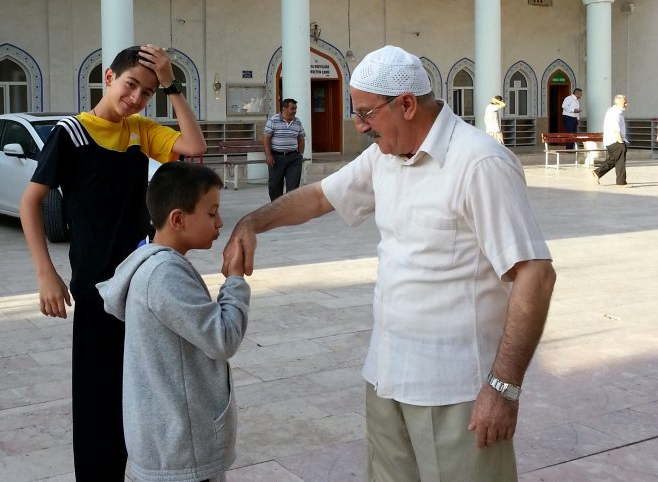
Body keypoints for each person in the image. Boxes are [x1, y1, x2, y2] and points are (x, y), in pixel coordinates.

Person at [222, 45, 556, 481]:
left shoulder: (478, 163)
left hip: (455, 392)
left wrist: (504, 387)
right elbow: (323, 195)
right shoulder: (385, 155)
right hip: (387, 376)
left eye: (366, 114)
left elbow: (535, 274)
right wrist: (253, 221)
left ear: (407, 104)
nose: (360, 126)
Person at [18, 45, 206, 480]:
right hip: (94, 286)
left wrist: (172, 85)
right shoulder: (71, 133)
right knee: (97, 397)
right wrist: (46, 274)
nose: (137, 98)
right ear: (108, 78)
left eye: (147, 92)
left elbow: (193, 146)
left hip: (140, 282)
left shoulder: (141, 131)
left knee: (139, 389)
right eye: (130, 85)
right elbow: (30, 203)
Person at [96, 162, 250, 482]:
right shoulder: (164, 274)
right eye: (211, 213)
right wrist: (235, 280)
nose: (220, 222)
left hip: (167, 447)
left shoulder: (155, 264)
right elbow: (223, 338)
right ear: (178, 218)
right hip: (180, 456)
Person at [263, 98, 305, 201]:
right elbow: (266, 138)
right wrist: (268, 155)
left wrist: (300, 154)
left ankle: (289, 209)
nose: (294, 111)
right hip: (277, 158)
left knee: (293, 186)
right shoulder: (273, 120)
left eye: (295, 108)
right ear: (284, 108)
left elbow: (301, 138)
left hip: (293, 158)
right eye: (292, 108)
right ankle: (276, 208)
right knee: (275, 185)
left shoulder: (297, 122)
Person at [592, 94, 629, 187]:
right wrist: (620, 142)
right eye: (625, 102)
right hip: (615, 141)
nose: (626, 104)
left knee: (613, 160)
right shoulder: (615, 113)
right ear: (618, 102)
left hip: (612, 141)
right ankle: (621, 182)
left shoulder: (614, 111)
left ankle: (597, 173)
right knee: (620, 162)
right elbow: (616, 129)